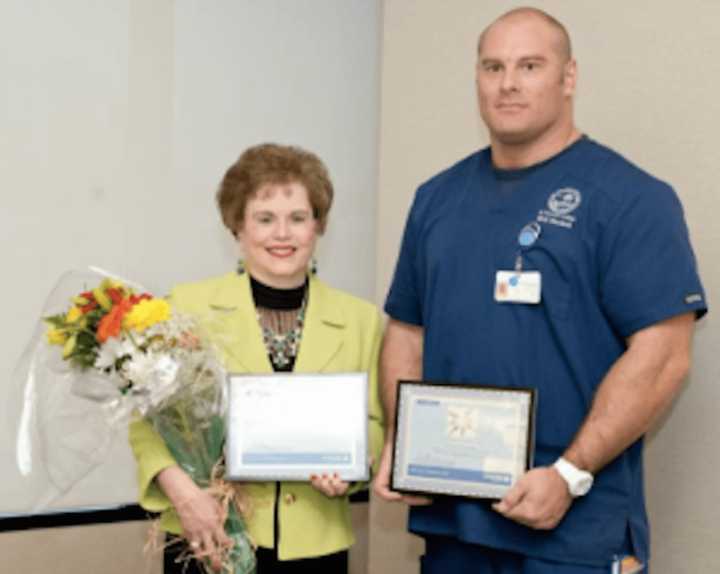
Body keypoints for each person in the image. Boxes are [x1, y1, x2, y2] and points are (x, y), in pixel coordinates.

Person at [373, 7, 706, 574]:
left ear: (568, 77)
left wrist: (570, 475)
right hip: (455, 525)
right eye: (492, 66)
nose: (508, 83)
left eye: (530, 66)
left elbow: (664, 357)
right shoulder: (436, 199)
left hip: (574, 529)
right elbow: (406, 331)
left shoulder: (631, 198)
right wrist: (406, 443)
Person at [129, 143, 384, 573]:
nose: (281, 235)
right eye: (265, 219)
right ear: (237, 227)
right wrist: (184, 494)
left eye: (298, 218)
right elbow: (145, 421)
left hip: (314, 545)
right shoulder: (187, 307)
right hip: (208, 533)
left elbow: (373, 423)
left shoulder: (361, 319)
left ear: (318, 226)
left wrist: (352, 470)